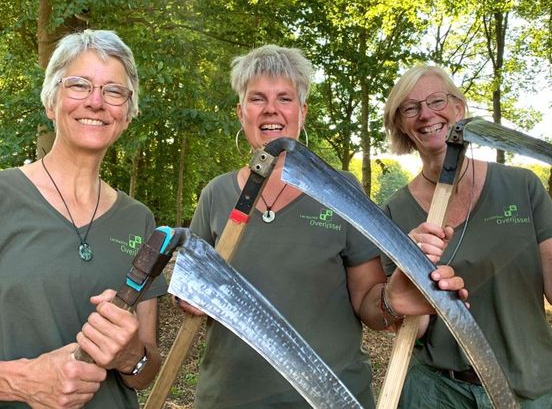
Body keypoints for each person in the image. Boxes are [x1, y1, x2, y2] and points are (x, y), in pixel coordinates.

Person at [176, 45, 467, 408]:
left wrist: (393, 300)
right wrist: (187, 296)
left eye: (285, 98)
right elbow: (190, 292)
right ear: (240, 112)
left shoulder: (341, 191)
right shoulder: (216, 194)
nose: (271, 109)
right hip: (229, 398)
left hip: (333, 400)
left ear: (302, 112)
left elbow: (369, 303)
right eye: (257, 99)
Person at [0, 30, 167, 408]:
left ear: (127, 113)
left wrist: (130, 356)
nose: (96, 102)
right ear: (51, 101)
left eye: (113, 91)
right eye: (79, 85)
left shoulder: (139, 220)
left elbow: (146, 370)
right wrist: (20, 381)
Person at [382, 65, 552, 408]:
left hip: (527, 387)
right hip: (438, 392)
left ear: (459, 108)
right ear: (401, 124)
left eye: (436, 100)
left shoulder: (522, 186)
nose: (426, 114)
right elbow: (412, 329)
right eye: (410, 108)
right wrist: (410, 277)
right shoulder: (394, 212)